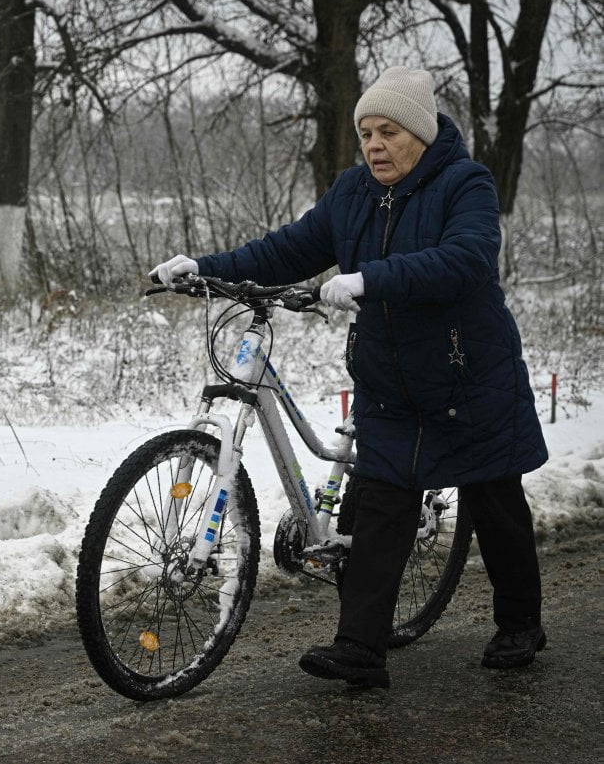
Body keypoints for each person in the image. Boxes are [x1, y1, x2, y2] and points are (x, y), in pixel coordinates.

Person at [150, 66, 548, 689]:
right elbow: (286, 250)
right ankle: (360, 649)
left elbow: (467, 259)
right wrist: (205, 266)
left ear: (419, 134)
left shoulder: (464, 184)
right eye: (366, 133)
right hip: (390, 383)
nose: (374, 145)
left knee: (494, 499)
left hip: (467, 377)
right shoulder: (352, 193)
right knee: (384, 507)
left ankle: (521, 622)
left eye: (388, 131)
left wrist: (370, 279)